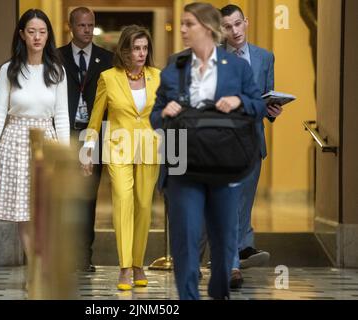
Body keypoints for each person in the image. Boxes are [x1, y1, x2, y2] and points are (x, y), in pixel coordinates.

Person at [150, 2, 266, 299]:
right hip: (183, 168)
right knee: (186, 243)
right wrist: (165, 112)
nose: (183, 30)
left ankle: (219, 293)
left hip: (224, 167)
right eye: (183, 24)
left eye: (189, 24)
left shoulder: (237, 68)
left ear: (208, 28)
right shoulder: (175, 67)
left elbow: (258, 106)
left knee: (225, 242)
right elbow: (154, 116)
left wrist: (240, 102)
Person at [0, 9, 70, 261]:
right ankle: (36, 268)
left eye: (42, 32)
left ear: (48, 35)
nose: (37, 37)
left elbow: (61, 116)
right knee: (24, 212)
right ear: (22, 35)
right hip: (15, 140)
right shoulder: (9, 70)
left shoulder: (57, 72)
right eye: (31, 32)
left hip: (46, 141)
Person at [82, 25, 161, 291]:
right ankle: (125, 268)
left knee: (143, 206)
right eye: (135, 48)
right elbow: (95, 118)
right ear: (124, 51)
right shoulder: (108, 77)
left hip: (150, 149)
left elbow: (165, 116)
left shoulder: (158, 77)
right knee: (123, 200)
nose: (141, 53)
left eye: (144, 48)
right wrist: (87, 151)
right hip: (118, 148)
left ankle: (139, 264)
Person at [219, 4, 283, 280]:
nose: (234, 31)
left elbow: (268, 95)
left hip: (253, 143)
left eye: (237, 24)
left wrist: (274, 111)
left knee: (243, 208)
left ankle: (239, 250)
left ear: (246, 22)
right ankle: (231, 264)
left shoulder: (265, 57)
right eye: (228, 27)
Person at [58, 7, 113, 273]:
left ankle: (83, 257)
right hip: (64, 134)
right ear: (71, 27)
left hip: (93, 136)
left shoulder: (107, 59)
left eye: (91, 25)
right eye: (82, 26)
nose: (87, 30)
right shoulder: (56, 57)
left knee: (88, 198)